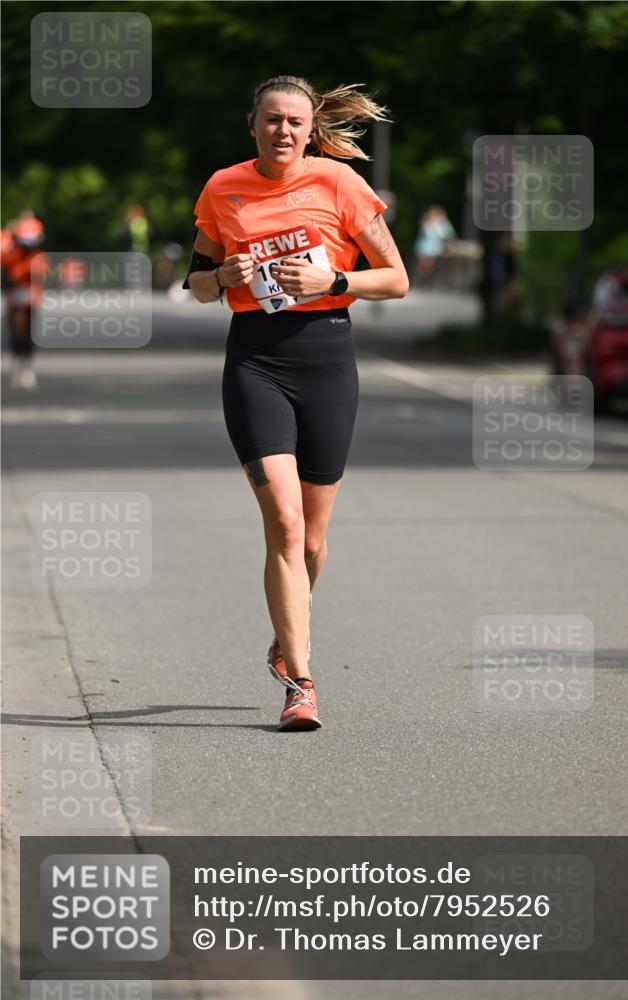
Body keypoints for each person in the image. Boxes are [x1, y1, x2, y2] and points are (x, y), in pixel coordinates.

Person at [184, 75, 409, 731]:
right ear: (251, 124)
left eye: (294, 122)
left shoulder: (340, 184)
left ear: (311, 132)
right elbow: (195, 283)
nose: (282, 130)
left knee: (311, 538)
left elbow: (396, 280)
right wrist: (220, 276)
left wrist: (331, 279)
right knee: (283, 522)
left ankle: (288, 635)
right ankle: (300, 684)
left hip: (327, 358)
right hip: (254, 360)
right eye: (272, 119)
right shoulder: (223, 188)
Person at [1, 212, 47, 390]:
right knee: (14, 331)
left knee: (28, 332)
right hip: (15, 293)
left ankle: (27, 367)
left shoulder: (38, 256)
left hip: (30, 292)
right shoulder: (11, 254)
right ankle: (16, 364)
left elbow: (41, 272)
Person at [413, 205, 456, 288]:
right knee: (423, 262)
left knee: (428, 263)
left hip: (435, 248)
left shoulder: (444, 224)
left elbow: (448, 236)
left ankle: (425, 279)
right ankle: (423, 279)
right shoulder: (427, 223)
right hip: (424, 247)